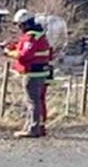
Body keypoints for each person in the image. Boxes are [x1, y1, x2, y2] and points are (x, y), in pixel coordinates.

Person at [6, 9, 54, 137]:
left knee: (32, 102)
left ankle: (32, 129)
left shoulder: (31, 36)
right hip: (42, 73)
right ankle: (39, 126)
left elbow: (24, 55)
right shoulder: (40, 35)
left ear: (25, 24)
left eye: (19, 25)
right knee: (38, 101)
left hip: (32, 74)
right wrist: (15, 46)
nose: (19, 28)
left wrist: (9, 53)